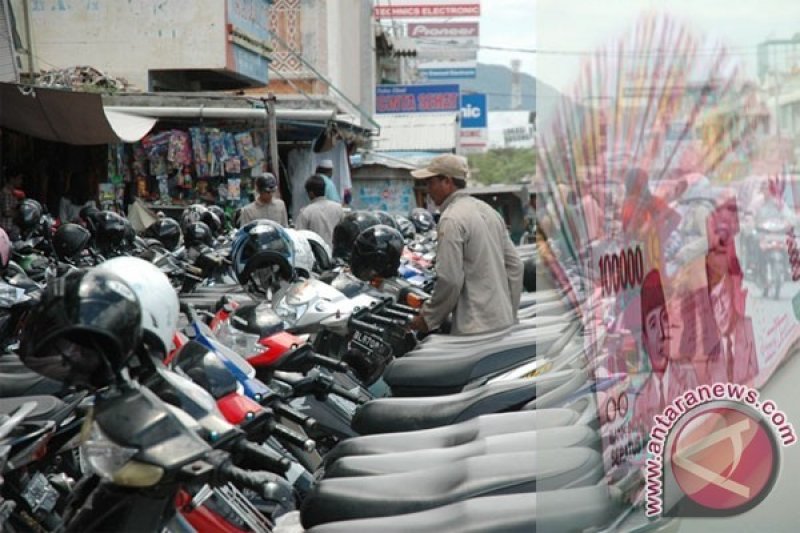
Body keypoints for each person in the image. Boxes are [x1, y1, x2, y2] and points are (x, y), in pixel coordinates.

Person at [408, 154, 523, 335]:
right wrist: (510, 312)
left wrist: (428, 319)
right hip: (502, 324)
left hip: (473, 329)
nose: (427, 189)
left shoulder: (451, 219)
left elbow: (450, 279)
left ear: (447, 181)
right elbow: (516, 266)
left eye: (430, 182)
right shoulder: (489, 211)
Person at [294, 174, 344, 246]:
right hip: (335, 253)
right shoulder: (338, 208)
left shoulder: (306, 212)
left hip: (317, 254)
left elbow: (299, 239)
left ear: (311, 193)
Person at [0, 169, 23, 240]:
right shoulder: (6, 192)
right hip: (6, 227)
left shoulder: (13, 193)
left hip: (11, 226)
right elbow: (7, 212)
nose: (21, 181)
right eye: (19, 178)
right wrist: (20, 213)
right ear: (12, 179)